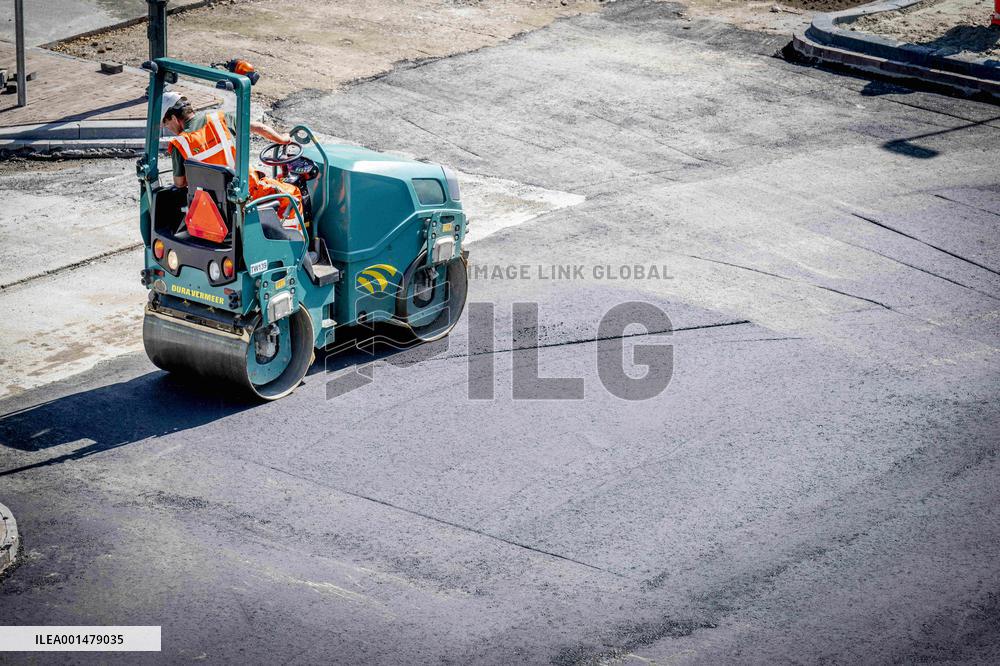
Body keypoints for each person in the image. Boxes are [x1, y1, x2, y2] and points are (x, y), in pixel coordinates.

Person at [161, 91, 304, 230]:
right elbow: (259, 127)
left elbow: (179, 183)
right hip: (246, 193)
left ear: (174, 118)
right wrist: (283, 139)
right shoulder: (219, 119)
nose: (169, 129)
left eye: (166, 124)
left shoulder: (179, 144)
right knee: (293, 195)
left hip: (210, 205)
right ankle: (294, 245)